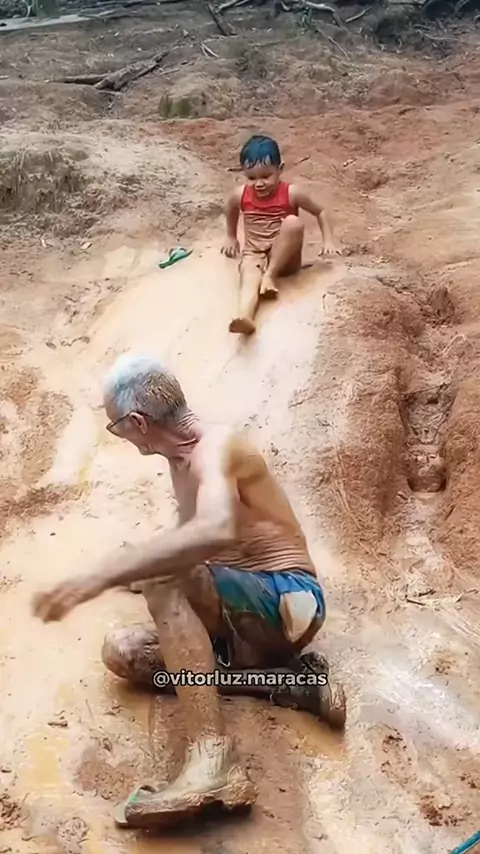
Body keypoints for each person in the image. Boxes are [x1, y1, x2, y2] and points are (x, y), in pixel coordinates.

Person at [32, 354, 346, 830]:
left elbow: (214, 530)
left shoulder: (216, 449)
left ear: (137, 422)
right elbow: (195, 547)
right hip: (242, 613)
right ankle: (288, 684)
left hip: (287, 601)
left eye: (116, 427)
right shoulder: (183, 462)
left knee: (163, 576)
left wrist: (110, 572)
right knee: (124, 652)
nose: (121, 435)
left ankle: (212, 761)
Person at [222, 134, 341, 336]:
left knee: (293, 222)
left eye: (266, 176)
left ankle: (269, 276)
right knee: (249, 274)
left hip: (285, 259)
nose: (259, 183)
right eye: (251, 178)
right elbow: (230, 208)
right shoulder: (240, 194)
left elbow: (320, 211)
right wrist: (231, 236)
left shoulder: (292, 193)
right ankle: (245, 316)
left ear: (280, 169)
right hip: (255, 253)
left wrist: (328, 241)